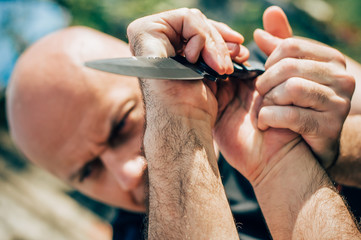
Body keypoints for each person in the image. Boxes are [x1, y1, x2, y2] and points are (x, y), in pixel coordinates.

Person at [5, 6, 361, 239]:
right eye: (88, 171)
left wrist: (336, 148)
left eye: (121, 125)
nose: (125, 174)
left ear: (152, 76)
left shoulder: (275, 71)